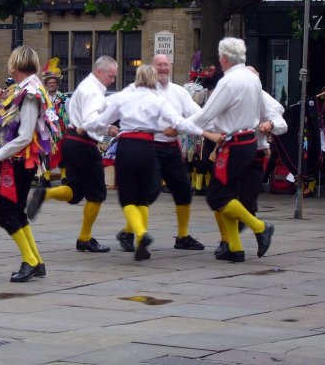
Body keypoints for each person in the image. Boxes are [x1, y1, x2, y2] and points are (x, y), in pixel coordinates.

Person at [83, 64, 222, 260]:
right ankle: (141, 241)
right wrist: (207, 134)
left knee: (128, 198)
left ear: (137, 78)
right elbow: (181, 123)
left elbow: (98, 121)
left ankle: (139, 233)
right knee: (142, 196)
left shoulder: (123, 97)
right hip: (148, 148)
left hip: (127, 147)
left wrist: (96, 127)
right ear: (153, 80)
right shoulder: (158, 101)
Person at [187, 37, 275, 263]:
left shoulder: (229, 81)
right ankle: (235, 249)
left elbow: (207, 114)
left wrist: (180, 124)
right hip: (247, 140)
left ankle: (260, 227)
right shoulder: (252, 79)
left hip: (233, 143)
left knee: (217, 196)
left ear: (224, 58)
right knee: (227, 195)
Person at [27, 56, 119, 254]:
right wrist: (108, 128)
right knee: (97, 194)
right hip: (84, 143)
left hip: (71, 142)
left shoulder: (84, 87)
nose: (112, 80)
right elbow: (90, 121)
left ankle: (45, 193)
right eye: (111, 76)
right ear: (100, 71)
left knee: (75, 190)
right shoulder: (93, 92)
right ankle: (85, 238)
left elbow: (72, 112)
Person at [115, 54, 206, 253]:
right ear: (151, 68)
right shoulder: (137, 90)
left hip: (171, 148)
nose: (164, 68)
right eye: (159, 65)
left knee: (183, 190)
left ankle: (182, 236)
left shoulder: (179, 92)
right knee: (150, 191)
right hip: (148, 147)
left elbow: (197, 114)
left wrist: (210, 128)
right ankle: (132, 232)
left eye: (166, 65)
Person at [0, 46, 57, 282]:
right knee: (15, 211)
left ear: (14, 65)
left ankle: (31, 261)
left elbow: (24, 135)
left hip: (19, 162)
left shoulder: (31, 93)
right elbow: (11, 120)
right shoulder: (24, 89)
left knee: (2, 211)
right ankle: (36, 260)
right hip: (17, 161)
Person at [214, 66, 288, 256]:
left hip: (254, 153)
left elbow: (281, 123)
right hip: (229, 152)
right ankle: (231, 244)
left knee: (244, 203)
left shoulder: (262, 98)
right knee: (225, 199)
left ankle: (251, 235)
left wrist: (269, 124)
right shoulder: (231, 95)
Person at [38, 57, 69, 187]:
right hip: (45, 129)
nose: (51, 84)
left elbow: (69, 113)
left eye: (53, 82)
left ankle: (64, 177)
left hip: (60, 129)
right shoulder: (42, 98)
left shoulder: (64, 98)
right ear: (46, 84)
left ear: (57, 84)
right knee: (45, 152)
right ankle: (46, 178)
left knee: (62, 152)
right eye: (49, 82)